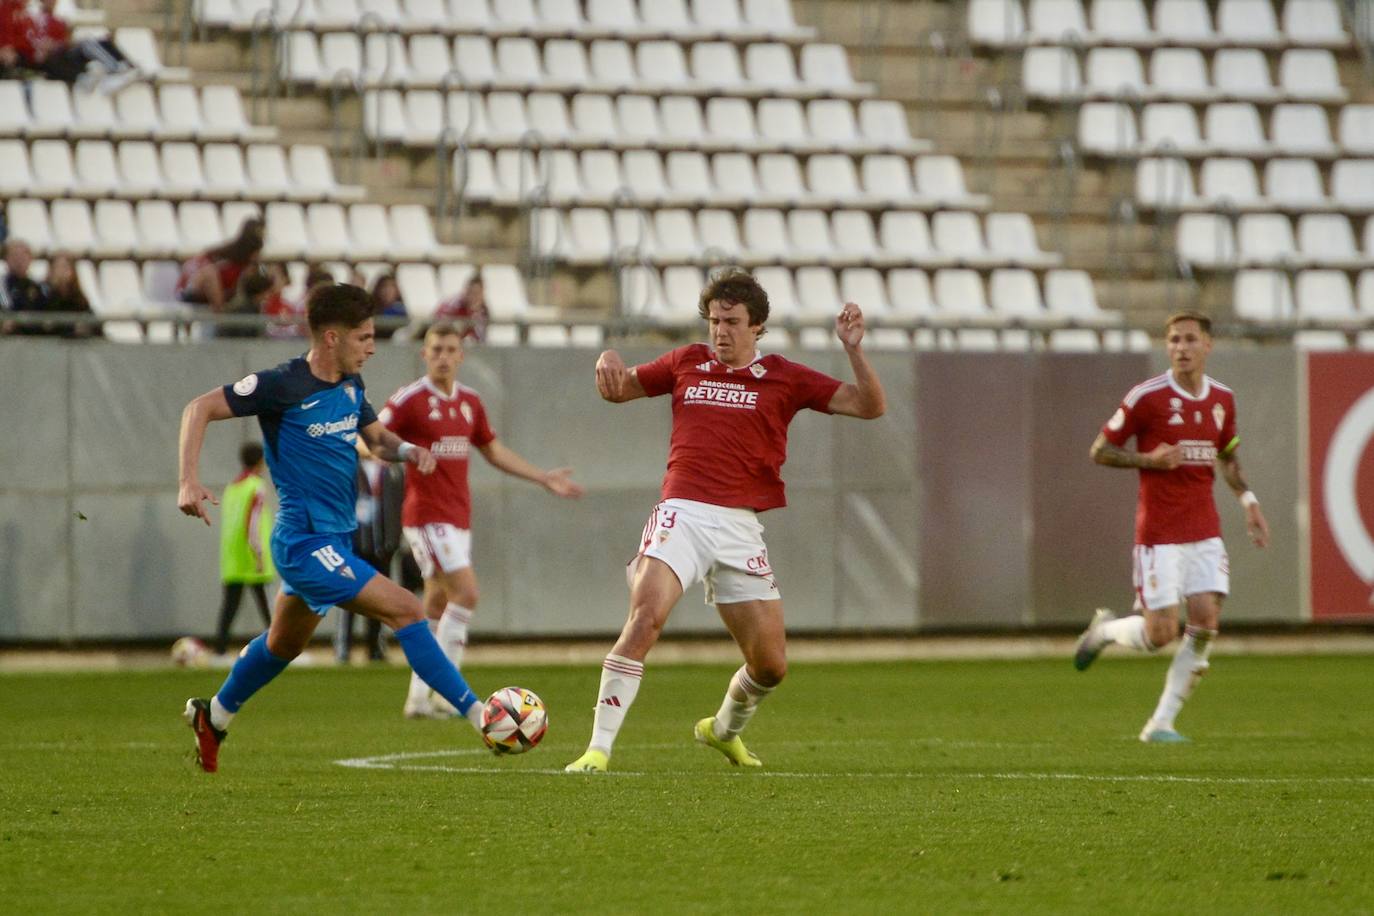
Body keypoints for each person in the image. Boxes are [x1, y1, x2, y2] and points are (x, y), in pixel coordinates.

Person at [563, 267, 886, 773]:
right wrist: (606, 363)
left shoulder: (785, 376)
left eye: (732, 321)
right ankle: (597, 751)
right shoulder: (685, 363)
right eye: (714, 321)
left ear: (757, 326)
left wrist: (853, 349)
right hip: (682, 514)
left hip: (740, 527)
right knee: (645, 620)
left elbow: (869, 406)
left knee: (771, 666)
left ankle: (722, 730)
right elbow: (619, 389)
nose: (720, 331)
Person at [177, 282, 489, 773]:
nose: (371, 346)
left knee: (282, 645)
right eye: (363, 337)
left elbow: (377, 438)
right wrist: (188, 481)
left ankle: (212, 716)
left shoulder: (351, 385)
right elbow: (199, 408)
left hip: (337, 540)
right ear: (330, 338)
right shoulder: (281, 384)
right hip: (303, 543)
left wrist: (408, 451)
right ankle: (481, 715)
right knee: (408, 609)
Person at [1073, 311, 1270, 743]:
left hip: (1205, 530)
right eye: (1174, 341)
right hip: (1160, 534)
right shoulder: (1148, 397)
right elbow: (1100, 450)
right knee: (1160, 633)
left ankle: (1161, 723)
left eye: (1189, 340)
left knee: (1205, 623)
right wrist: (1148, 459)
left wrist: (1248, 501)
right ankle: (1103, 632)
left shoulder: (1222, 399)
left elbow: (1228, 456)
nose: (1181, 348)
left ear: (1207, 345)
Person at [380, 321, 585, 718]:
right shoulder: (410, 400)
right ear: (424, 353)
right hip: (425, 516)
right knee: (468, 593)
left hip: (458, 515)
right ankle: (447, 693)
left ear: (462, 355)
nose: (442, 356)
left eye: (449, 349)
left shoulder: (470, 402)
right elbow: (369, 438)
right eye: (435, 349)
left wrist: (542, 477)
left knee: (436, 604)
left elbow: (492, 451)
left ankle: (418, 699)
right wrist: (402, 452)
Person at [334, 443, 403, 664]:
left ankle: (375, 648)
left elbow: (400, 506)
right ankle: (343, 648)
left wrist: (393, 541)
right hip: (355, 544)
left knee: (380, 600)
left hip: (382, 546)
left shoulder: (393, 471)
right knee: (349, 597)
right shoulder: (350, 469)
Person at [215, 441, 275, 658]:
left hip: (233, 557)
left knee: (229, 607)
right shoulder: (255, 487)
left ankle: (219, 652)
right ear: (261, 460)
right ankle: (281, 649)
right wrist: (258, 553)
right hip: (252, 557)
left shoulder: (232, 487)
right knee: (269, 608)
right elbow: (253, 522)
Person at [16, 0, 140, 92]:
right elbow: (26, 42)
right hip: (46, 61)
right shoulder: (29, 18)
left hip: (60, 55)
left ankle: (126, 67)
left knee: (101, 41)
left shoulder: (56, 21)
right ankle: (116, 70)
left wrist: (58, 45)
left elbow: (64, 41)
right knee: (87, 44)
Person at [176, 218, 264, 313]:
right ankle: (220, 314)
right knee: (210, 273)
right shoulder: (221, 255)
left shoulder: (247, 266)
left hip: (224, 297)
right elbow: (193, 268)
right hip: (193, 291)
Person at [1, 239, 48, 336]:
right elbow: (7, 308)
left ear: (30, 259)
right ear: (6, 259)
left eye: (23, 256)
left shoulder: (39, 287)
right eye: (14, 256)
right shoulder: (2, 285)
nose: (19, 260)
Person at [217, 267, 274, 338]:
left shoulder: (250, 308)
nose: (269, 296)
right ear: (260, 292)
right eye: (268, 292)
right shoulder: (245, 311)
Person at [434, 275, 487, 342]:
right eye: (470, 292)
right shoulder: (453, 306)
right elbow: (439, 327)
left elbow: (480, 338)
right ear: (465, 290)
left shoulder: (483, 310)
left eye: (477, 293)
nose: (473, 297)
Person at [369, 273, 406, 340]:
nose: (387, 291)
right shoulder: (370, 310)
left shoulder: (400, 310)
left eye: (391, 287)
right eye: (384, 287)